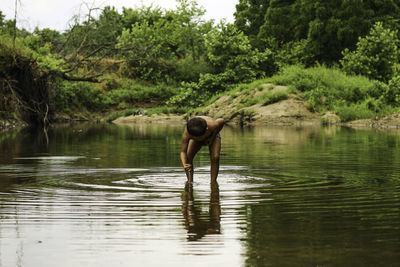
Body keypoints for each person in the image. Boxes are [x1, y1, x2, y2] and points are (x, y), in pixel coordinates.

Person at [180, 116, 224, 183]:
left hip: (212, 136)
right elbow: (183, 152)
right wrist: (184, 164)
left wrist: (212, 138)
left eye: (200, 137)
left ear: (206, 129)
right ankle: (190, 181)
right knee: (188, 158)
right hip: (197, 135)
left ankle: (213, 182)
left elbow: (221, 120)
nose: (200, 139)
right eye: (195, 137)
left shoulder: (212, 125)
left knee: (215, 157)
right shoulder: (188, 133)